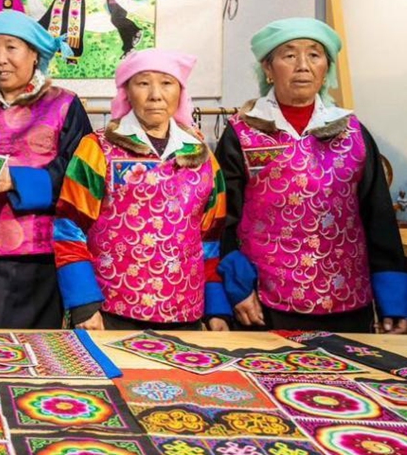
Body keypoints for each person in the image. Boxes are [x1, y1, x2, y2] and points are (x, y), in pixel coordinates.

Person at [217, 17, 407, 334]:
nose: (302, 66)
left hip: (347, 303)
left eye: (314, 55)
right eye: (289, 55)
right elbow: (223, 221)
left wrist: (394, 301)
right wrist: (236, 288)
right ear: (268, 68)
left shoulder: (353, 133)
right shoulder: (243, 133)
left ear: (326, 69)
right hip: (264, 304)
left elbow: (379, 219)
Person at [54, 49, 229, 331]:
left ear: (180, 92)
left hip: (186, 314)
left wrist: (216, 309)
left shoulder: (203, 157)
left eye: (167, 83)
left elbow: (211, 238)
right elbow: (68, 227)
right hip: (109, 313)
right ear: (127, 92)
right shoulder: (97, 148)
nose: (156, 95)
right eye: (143, 83)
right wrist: (84, 305)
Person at [0, 11, 91, 328]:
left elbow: (80, 177)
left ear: (34, 53)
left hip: (36, 256)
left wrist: (16, 181)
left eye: (11, 47)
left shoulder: (64, 105)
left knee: (33, 358)